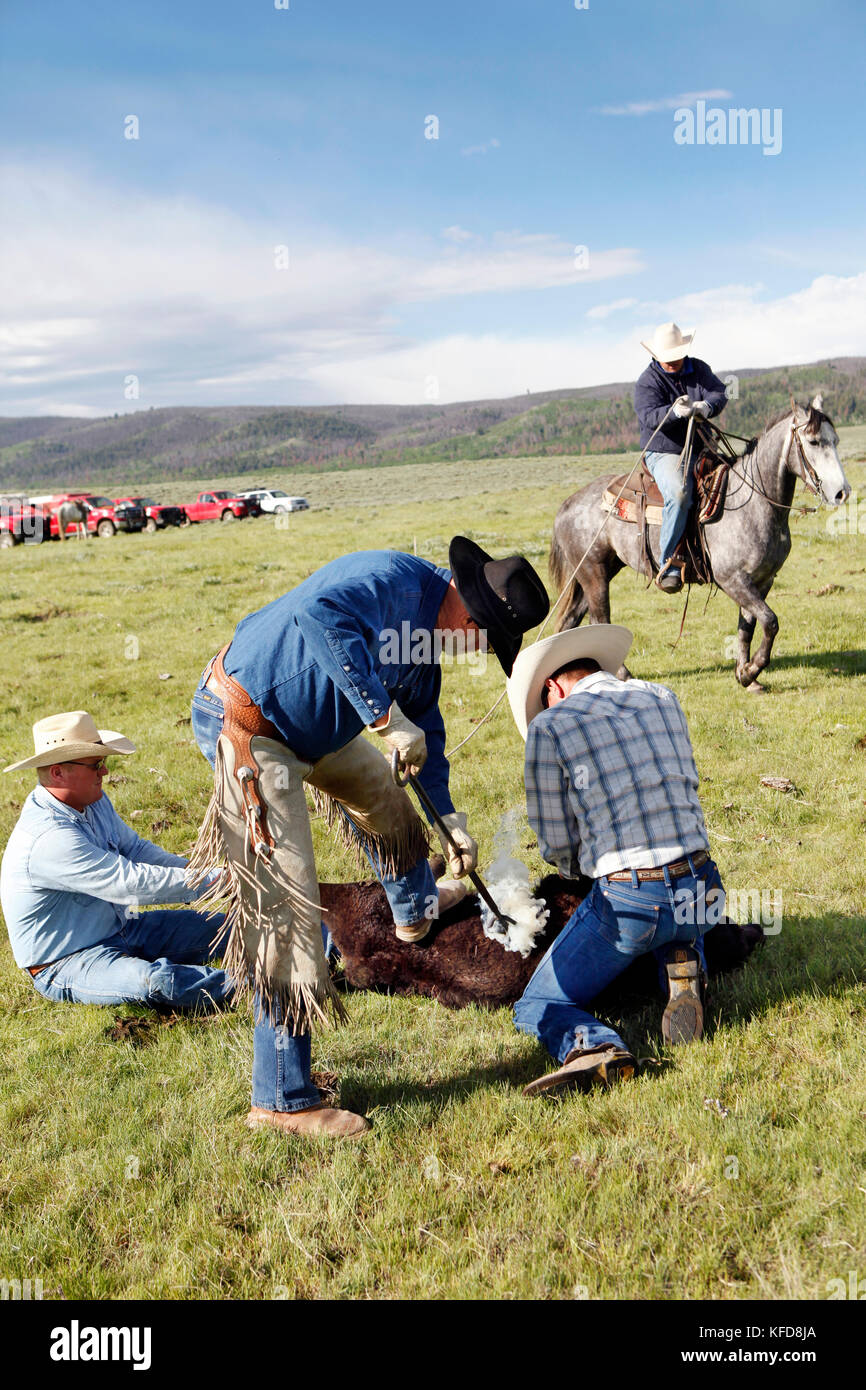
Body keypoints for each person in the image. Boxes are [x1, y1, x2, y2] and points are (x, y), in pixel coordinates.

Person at [188, 540, 550, 1139]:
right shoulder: (390, 581)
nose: (477, 653)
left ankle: (414, 911)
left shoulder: (426, 646)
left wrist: (449, 823)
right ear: (469, 618)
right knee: (286, 907)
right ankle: (280, 1098)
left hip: (313, 730)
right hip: (250, 724)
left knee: (385, 796)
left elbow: (423, 734)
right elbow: (319, 618)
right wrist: (385, 718)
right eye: (484, 642)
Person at [505, 627, 727, 1096]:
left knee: (537, 1004)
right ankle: (683, 958)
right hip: (704, 885)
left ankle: (597, 1046)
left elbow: (556, 838)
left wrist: (573, 870)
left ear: (553, 688)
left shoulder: (551, 725)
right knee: (678, 914)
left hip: (633, 899)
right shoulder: (662, 696)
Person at [1, 710, 232, 1010]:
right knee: (155, 980)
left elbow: (135, 849)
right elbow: (129, 883)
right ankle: (255, 984)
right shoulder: (48, 838)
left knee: (228, 928)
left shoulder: (91, 802)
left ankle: (301, 946)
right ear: (58, 772)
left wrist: (204, 873)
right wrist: (218, 881)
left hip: (125, 927)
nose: (105, 772)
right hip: (68, 960)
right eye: (96, 765)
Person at [634, 322, 728, 593]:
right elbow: (649, 416)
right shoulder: (647, 382)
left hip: (701, 446)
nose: (673, 361)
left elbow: (719, 393)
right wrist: (675, 412)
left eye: (676, 356)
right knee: (679, 492)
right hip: (663, 451)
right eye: (668, 358)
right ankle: (669, 565)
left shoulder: (698, 368)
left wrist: (706, 406)